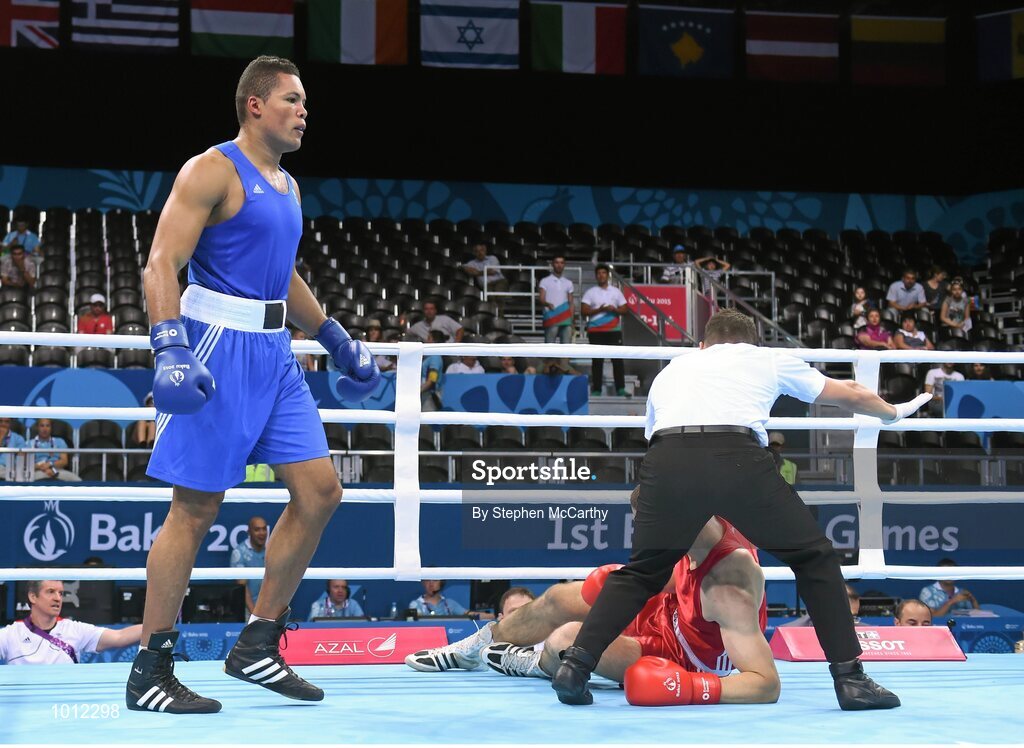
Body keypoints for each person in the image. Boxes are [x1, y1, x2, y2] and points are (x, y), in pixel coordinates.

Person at [128, 56, 380, 714]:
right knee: (196, 509)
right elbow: (162, 261)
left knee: (320, 491)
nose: (304, 111)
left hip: (275, 353)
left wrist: (333, 336)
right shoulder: (211, 169)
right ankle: (151, 665)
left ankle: (257, 644)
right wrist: (169, 345)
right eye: (292, 100)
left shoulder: (289, 186)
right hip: (215, 343)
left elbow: (284, 275)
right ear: (255, 106)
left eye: (305, 101)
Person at [549, 309, 932, 710]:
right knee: (814, 557)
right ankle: (851, 681)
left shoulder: (673, 368)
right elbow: (850, 391)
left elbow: (657, 434)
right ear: (753, 343)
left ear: (702, 345)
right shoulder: (765, 358)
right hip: (736, 455)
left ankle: (575, 666)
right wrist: (893, 412)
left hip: (667, 458)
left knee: (643, 572)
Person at [407, 512, 782, 706]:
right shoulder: (700, 526)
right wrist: (627, 579)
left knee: (568, 639)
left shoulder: (728, 589)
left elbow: (766, 684)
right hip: (667, 609)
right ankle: (472, 648)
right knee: (560, 597)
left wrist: (689, 688)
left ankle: (538, 663)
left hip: (678, 657)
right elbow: (680, 580)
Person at [0, 580, 141, 665]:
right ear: (32, 596)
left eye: (60, 593)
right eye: (50, 592)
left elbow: (119, 636)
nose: (58, 598)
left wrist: (157, 625)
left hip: (63, 705)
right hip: (24, 705)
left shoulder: (74, 630)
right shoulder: (11, 633)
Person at [581, 264, 628, 397]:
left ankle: (620, 389)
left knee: (617, 360)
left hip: (613, 330)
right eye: (599, 273)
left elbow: (625, 309)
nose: (601, 275)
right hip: (595, 330)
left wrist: (615, 310)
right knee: (597, 361)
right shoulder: (591, 292)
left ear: (608, 275)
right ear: (596, 276)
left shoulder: (616, 291)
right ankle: (597, 389)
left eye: (603, 273)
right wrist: (599, 309)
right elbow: (584, 311)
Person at [539, 254, 575, 373]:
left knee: (566, 347)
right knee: (550, 346)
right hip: (552, 316)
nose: (559, 265)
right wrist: (548, 304)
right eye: (557, 262)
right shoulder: (545, 281)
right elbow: (541, 299)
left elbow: (571, 302)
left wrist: (572, 320)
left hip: (565, 317)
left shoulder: (568, 283)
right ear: (552, 264)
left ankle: (564, 369)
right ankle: (550, 369)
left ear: (564, 265)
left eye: (561, 262)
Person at [230, 516, 269, 618]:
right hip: (248, 611)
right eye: (257, 530)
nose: (262, 533)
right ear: (249, 532)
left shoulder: (271, 550)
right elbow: (243, 587)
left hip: (270, 608)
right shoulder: (239, 553)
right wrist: (255, 616)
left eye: (264, 529)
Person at [463, 242, 508, 313]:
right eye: (477, 251)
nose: (480, 253)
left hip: (499, 281)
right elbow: (464, 268)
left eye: (481, 250)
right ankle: (495, 315)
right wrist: (485, 271)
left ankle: (500, 315)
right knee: (491, 299)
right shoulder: (472, 263)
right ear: (474, 253)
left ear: (485, 250)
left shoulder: (492, 258)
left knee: (499, 296)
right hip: (486, 285)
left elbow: (493, 271)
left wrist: (478, 272)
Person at [421, 330, 446, 412]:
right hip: (424, 393)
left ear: (435, 342)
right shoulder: (429, 357)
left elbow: (431, 380)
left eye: (429, 338)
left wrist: (416, 392)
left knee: (425, 423)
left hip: (429, 395)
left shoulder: (435, 358)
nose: (426, 341)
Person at [0, 417, 26, 481]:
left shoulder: (18, 439)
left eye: (7, 422)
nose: (3, 424)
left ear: (11, 423)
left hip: (9, 470)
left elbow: (20, 462)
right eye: (0, 421)